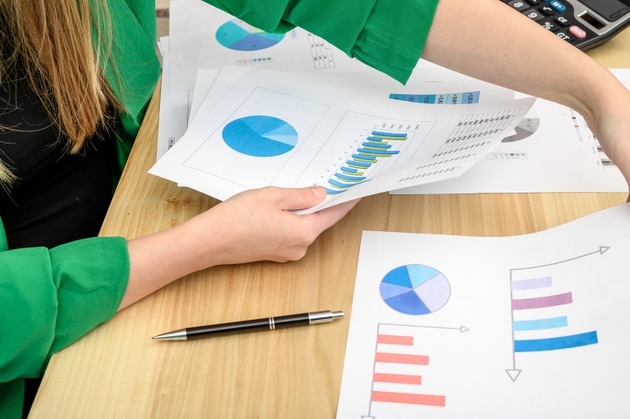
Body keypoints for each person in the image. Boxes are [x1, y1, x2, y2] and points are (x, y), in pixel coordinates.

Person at [1, 0, 629, 418]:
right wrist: (200, 245)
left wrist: (598, 96)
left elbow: (380, 5)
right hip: (53, 330)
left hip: (122, 208)